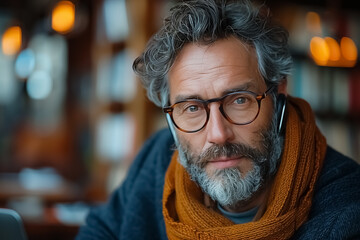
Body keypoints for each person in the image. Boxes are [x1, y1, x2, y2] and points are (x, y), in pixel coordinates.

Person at [76, 0, 360, 239]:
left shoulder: (347, 207)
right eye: (192, 108)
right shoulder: (157, 158)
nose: (218, 134)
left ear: (279, 92)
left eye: (239, 100)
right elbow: (99, 229)